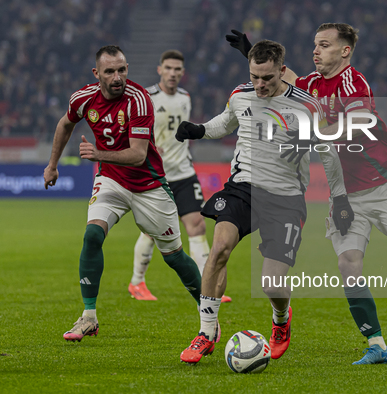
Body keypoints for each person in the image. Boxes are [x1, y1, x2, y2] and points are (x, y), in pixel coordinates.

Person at [227, 24, 387, 364]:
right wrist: (250, 49)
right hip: (344, 194)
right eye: (315, 44)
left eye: (324, 45)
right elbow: (280, 76)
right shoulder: (311, 85)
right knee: (349, 265)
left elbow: (353, 126)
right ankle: (377, 344)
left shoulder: (353, 84)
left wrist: (309, 136)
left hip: (382, 187)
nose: (316, 51)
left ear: (345, 51)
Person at [175, 39, 353, 364]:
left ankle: (281, 321)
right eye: (254, 76)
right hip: (243, 187)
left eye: (267, 78)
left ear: (283, 72)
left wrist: (339, 199)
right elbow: (225, 122)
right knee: (219, 250)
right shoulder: (241, 95)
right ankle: (206, 332)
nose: (259, 85)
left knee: (272, 282)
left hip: (286, 198)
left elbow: (328, 154)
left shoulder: (306, 106)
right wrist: (199, 130)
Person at [43, 45, 203, 342]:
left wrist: (98, 153)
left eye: (122, 70)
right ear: (97, 74)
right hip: (112, 181)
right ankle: (88, 317)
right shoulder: (82, 99)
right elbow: (65, 123)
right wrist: (52, 165)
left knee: (175, 257)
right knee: (92, 236)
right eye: (110, 72)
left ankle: (208, 316)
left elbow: (139, 155)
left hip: (149, 185)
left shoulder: (139, 101)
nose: (118, 77)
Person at [128, 49, 231, 303]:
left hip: (184, 171)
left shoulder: (186, 97)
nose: (173, 73)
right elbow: (133, 128)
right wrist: (149, 144)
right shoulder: (147, 97)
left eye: (178, 70)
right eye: (169, 68)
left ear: (182, 73)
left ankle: (210, 286)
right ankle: (137, 283)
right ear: (159, 70)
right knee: (152, 232)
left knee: (197, 225)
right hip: (156, 174)